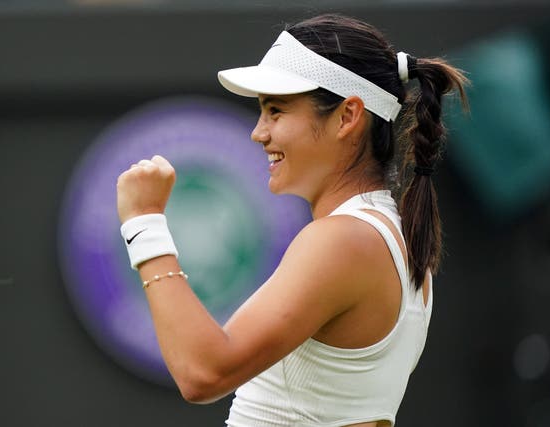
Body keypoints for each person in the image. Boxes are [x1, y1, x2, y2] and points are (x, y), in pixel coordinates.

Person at [116, 13, 467, 427]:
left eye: (276, 110)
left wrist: (145, 223)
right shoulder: (388, 235)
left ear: (347, 116)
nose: (259, 132)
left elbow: (203, 372)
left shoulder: (344, 240)